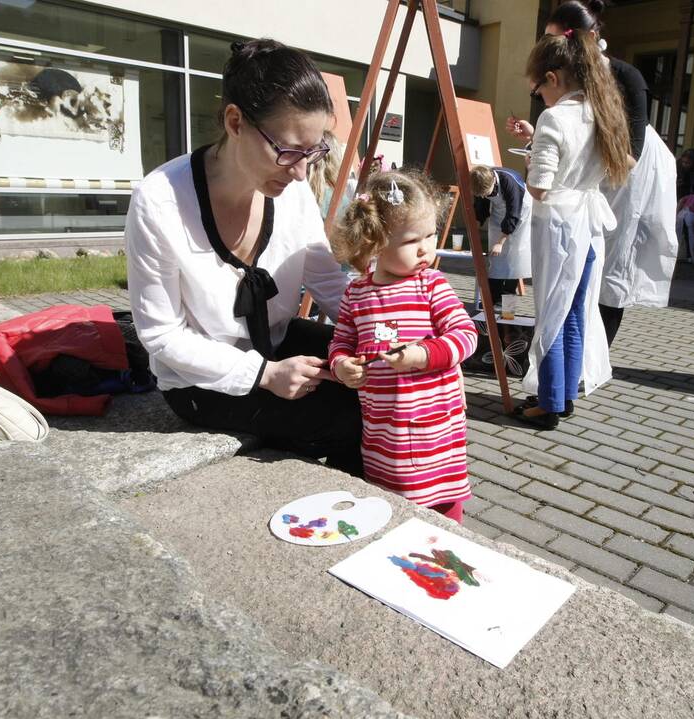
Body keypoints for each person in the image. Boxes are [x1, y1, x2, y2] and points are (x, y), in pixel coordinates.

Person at [125, 39, 363, 476]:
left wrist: (399, 329)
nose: (300, 173)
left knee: (386, 384)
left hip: (274, 342)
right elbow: (161, 335)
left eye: (314, 152)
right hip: (201, 379)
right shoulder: (160, 199)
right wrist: (266, 374)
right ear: (235, 121)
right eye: (289, 151)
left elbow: (330, 286)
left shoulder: (293, 194)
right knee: (347, 418)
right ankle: (343, 508)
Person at [327, 170, 477, 523]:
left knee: (443, 510)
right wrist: (342, 366)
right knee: (390, 507)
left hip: (435, 431)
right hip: (383, 430)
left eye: (430, 235)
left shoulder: (431, 285)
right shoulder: (357, 293)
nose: (426, 248)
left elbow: (466, 334)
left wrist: (422, 355)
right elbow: (341, 342)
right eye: (413, 241)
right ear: (376, 242)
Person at [510, 25, 630, 430]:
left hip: (559, 227)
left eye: (537, 90)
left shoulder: (554, 118)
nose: (538, 98)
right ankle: (563, 396)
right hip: (588, 226)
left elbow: (540, 188)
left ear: (553, 78)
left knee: (552, 314)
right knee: (576, 312)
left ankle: (548, 403)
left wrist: (532, 158)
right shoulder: (600, 113)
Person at [542, 0, 678, 348]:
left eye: (553, 40)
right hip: (593, 176)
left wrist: (577, 173)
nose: (547, 50)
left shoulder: (624, 76)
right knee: (578, 267)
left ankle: (594, 358)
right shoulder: (566, 77)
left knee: (611, 267)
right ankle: (572, 356)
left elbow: (629, 152)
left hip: (629, 176)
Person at [470, 164, 532, 308]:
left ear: (493, 181)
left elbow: (513, 214)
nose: (485, 196)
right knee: (496, 258)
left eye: (487, 193)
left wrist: (501, 242)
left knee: (515, 258)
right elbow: (480, 208)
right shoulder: (479, 182)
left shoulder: (509, 182)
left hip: (520, 212)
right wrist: (477, 228)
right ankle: (493, 299)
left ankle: (508, 300)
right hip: (499, 212)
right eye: (482, 194)